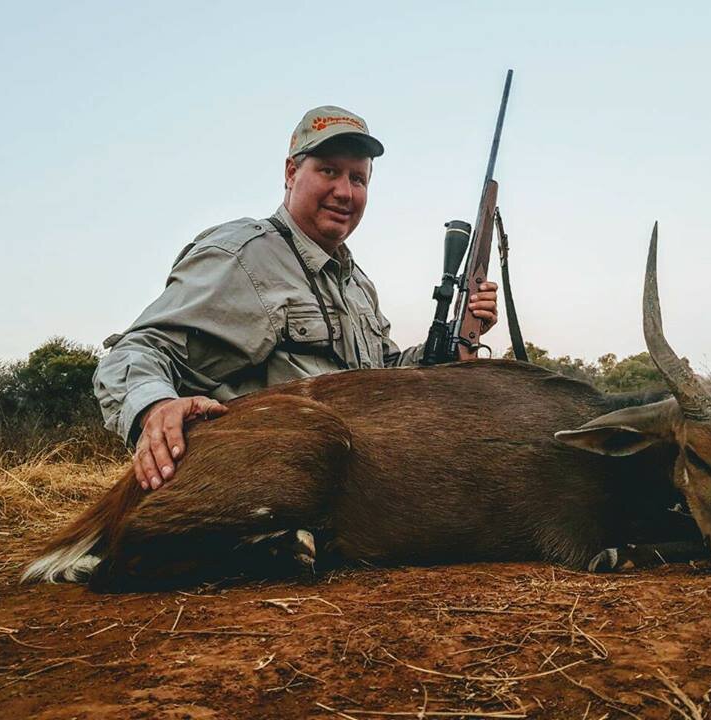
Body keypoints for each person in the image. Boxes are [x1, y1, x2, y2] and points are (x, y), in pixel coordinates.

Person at [94, 105, 499, 491]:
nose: (345, 192)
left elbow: (384, 371)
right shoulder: (244, 256)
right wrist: (154, 407)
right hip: (270, 480)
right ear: (291, 172)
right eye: (329, 171)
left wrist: (453, 344)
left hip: (357, 484)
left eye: (358, 179)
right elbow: (138, 351)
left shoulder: (356, 284)